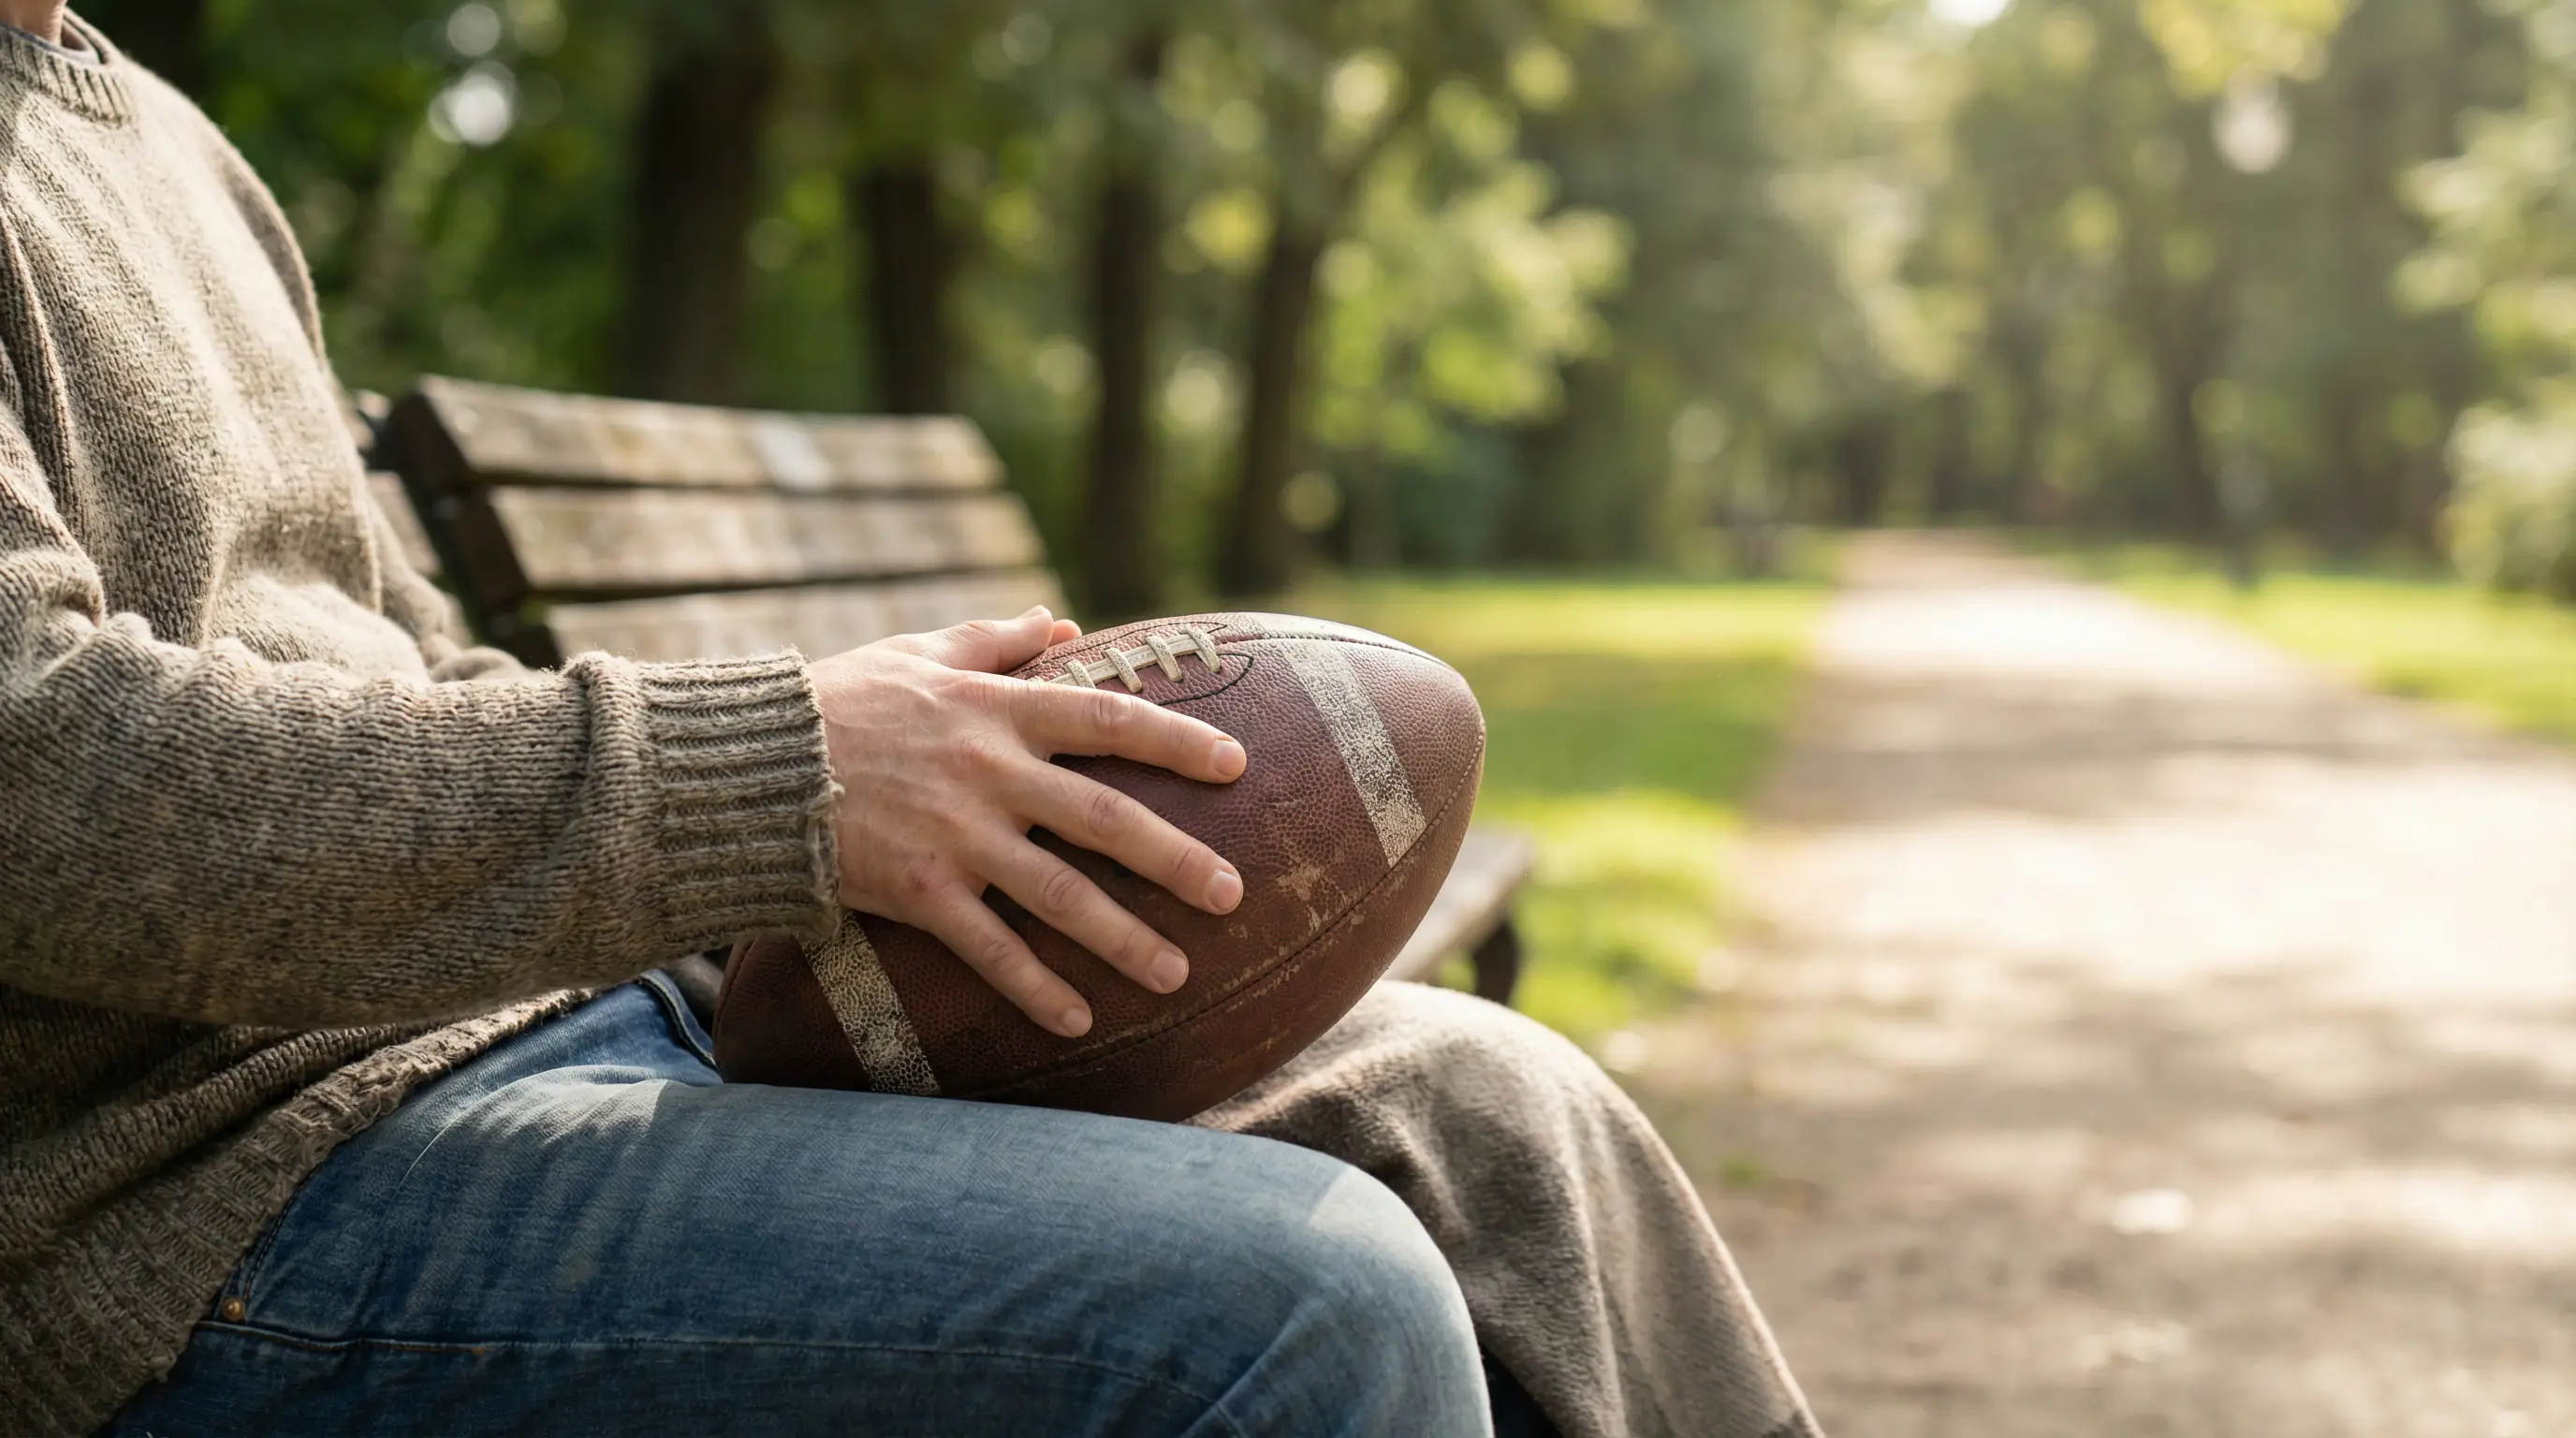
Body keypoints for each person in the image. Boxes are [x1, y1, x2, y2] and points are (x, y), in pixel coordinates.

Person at [0, 8, 1822, 1437]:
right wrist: (780, 773)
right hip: (183, 1216)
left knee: (1494, 1112)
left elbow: (410, 664)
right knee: (1296, 1303)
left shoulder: (159, 141)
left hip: (532, 1044)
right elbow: (39, 779)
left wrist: (907, 763)